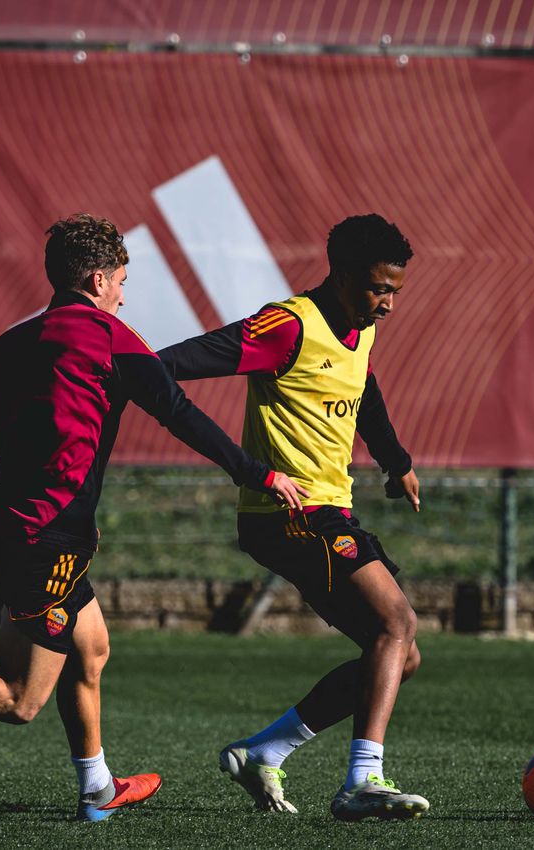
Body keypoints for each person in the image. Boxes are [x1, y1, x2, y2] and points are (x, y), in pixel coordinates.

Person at [0, 213, 306, 823]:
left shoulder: (15, 340)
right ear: (97, 279)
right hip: (47, 540)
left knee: (91, 649)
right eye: (122, 279)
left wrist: (36, 437)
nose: (124, 292)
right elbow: (180, 413)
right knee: (19, 699)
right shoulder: (111, 337)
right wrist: (260, 474)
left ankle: (97, 786)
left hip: (20, 528)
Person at [158, 213, 427, 821]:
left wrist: (395, 461)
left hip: (333, 512)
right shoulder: (288, 325)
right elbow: (178, 361)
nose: (386, 304)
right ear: (340, 275)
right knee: (396, 621)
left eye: (394, 292)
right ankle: (363, 780)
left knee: (400, 653)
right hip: (288, 513)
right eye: (377, 289)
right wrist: (127, 375)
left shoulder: (359, 327)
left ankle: (266, 750)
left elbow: (365, 390)